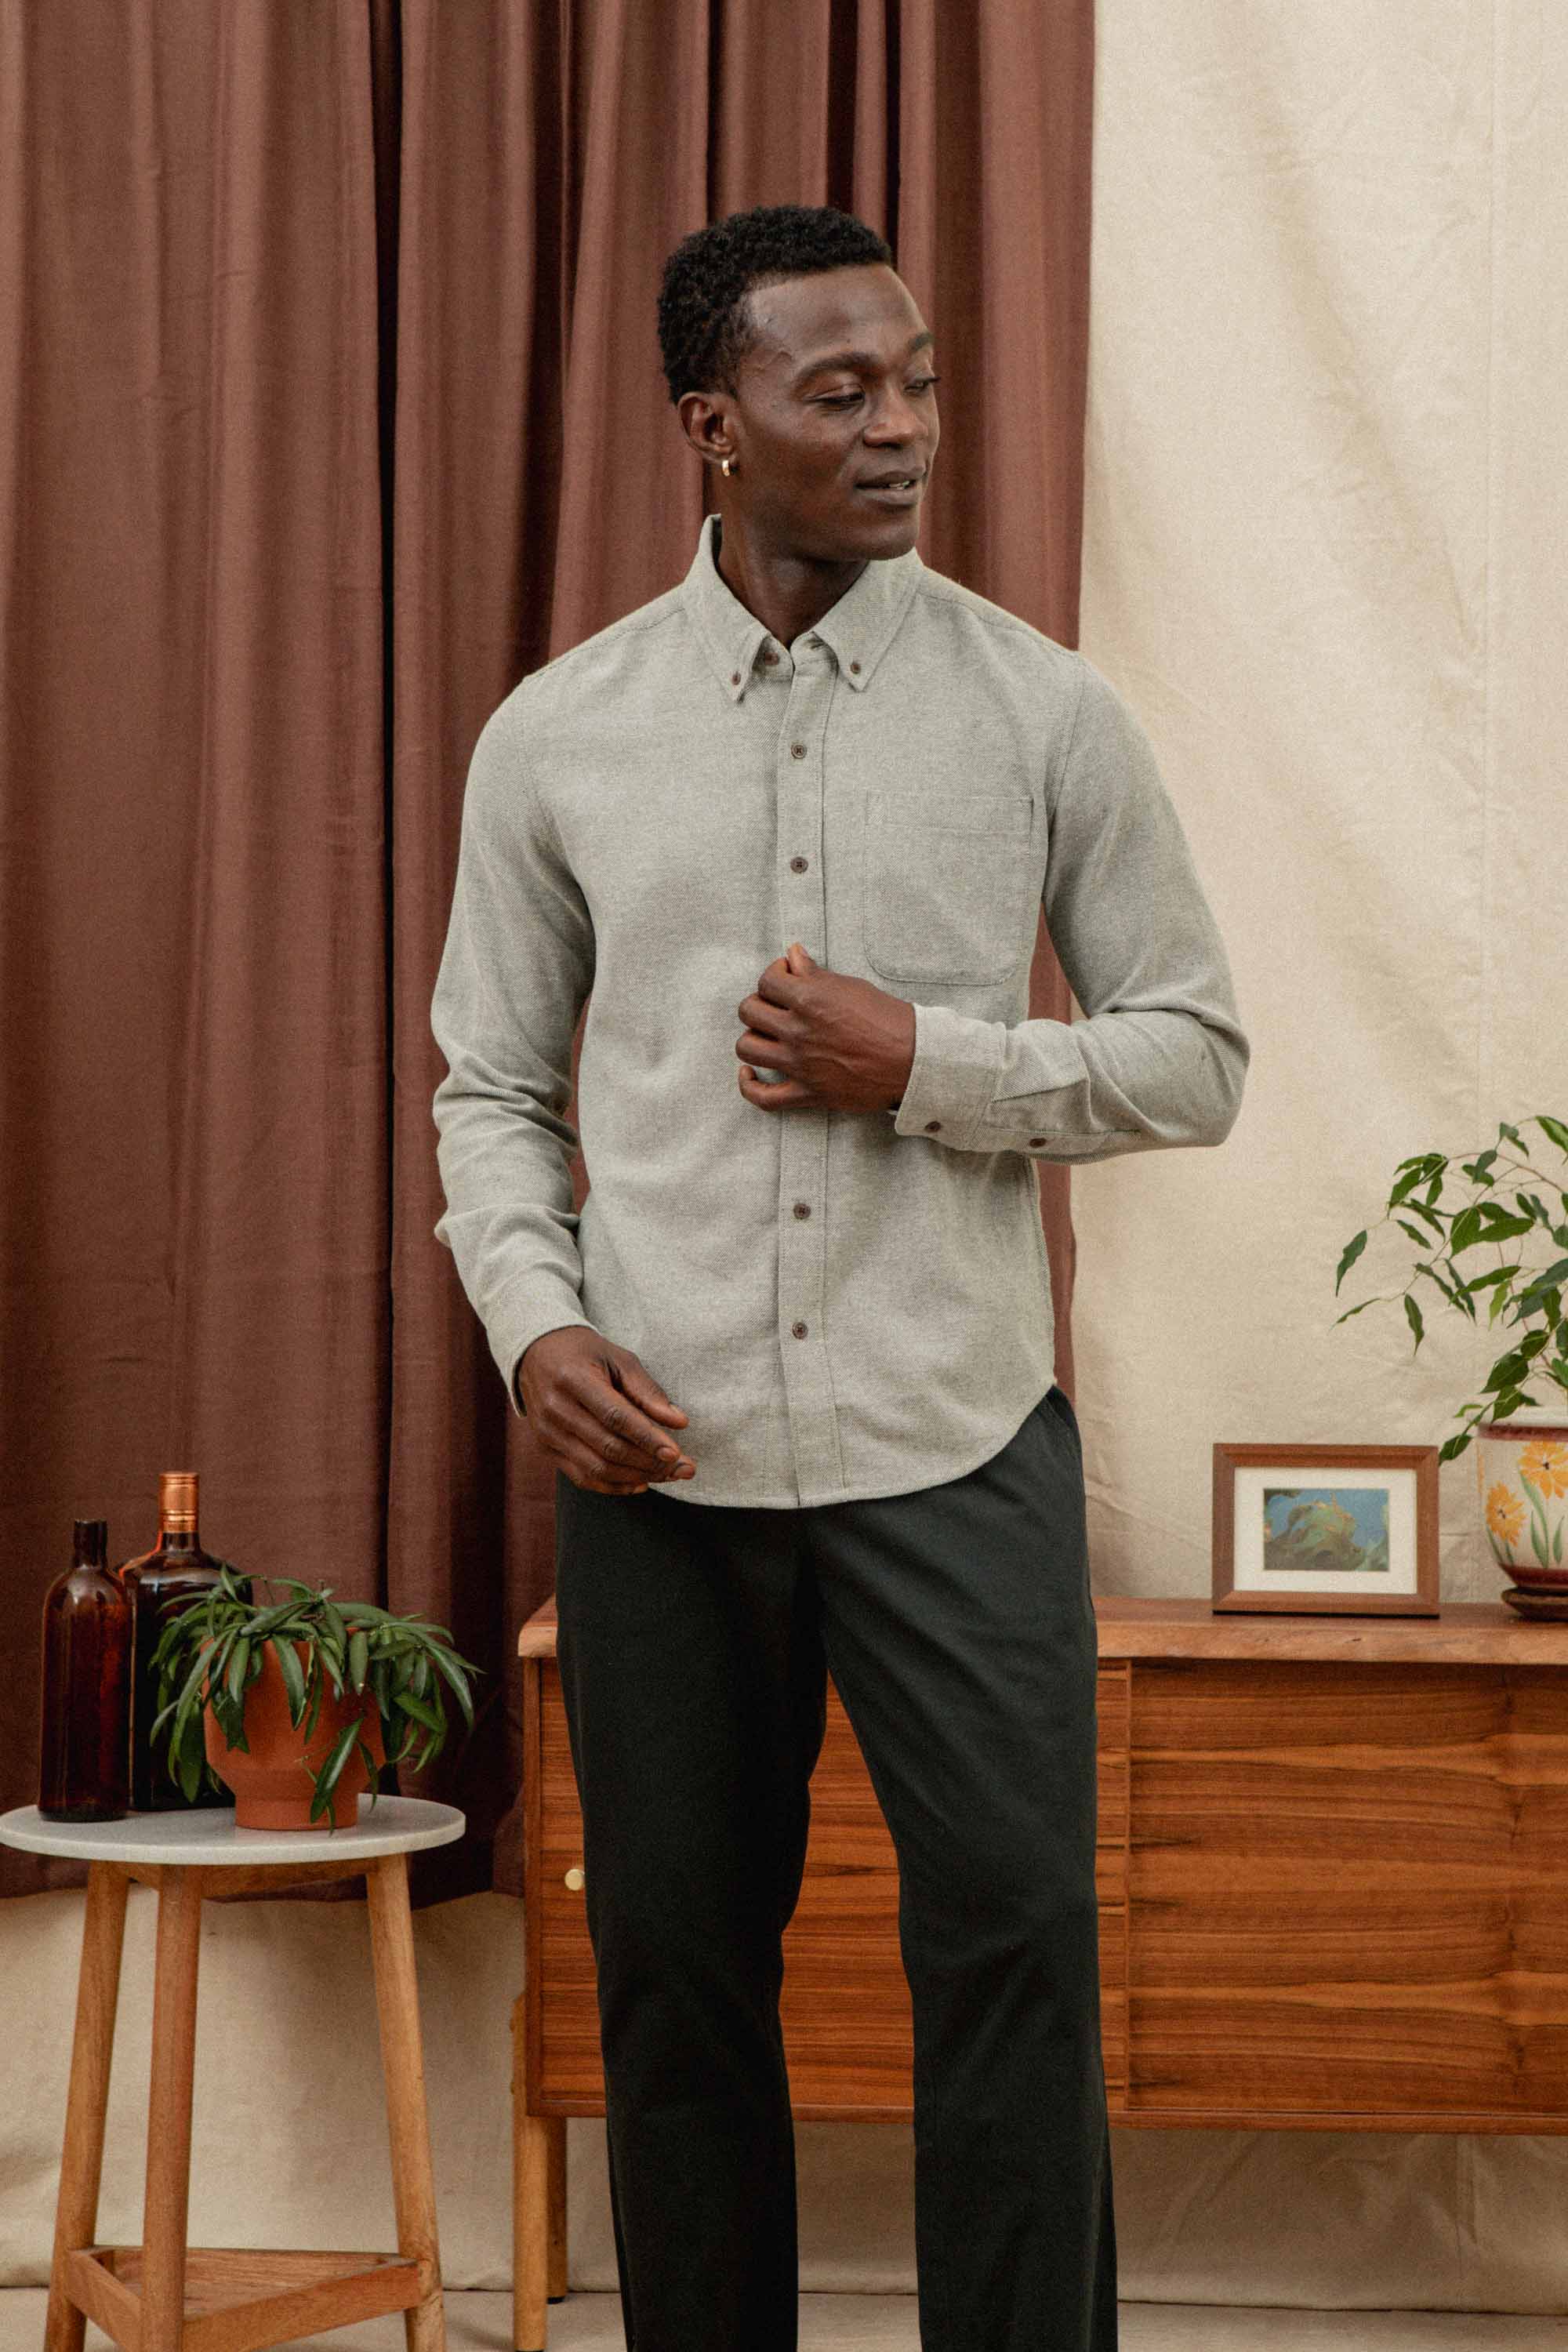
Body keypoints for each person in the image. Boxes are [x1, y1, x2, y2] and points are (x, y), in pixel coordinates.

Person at [431, 201, 1248, 2352]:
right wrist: (540, 1329)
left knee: (1016, 1954)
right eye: (840, 391)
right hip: (660, 1466)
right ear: (716, 427)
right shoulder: (559, 736)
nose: (900, 429)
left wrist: (934, 1065)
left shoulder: (1049, 716)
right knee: (680, 1986)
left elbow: (1196, 1054)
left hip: (954, 1445)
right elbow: (487, 1091)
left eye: (920, 384)